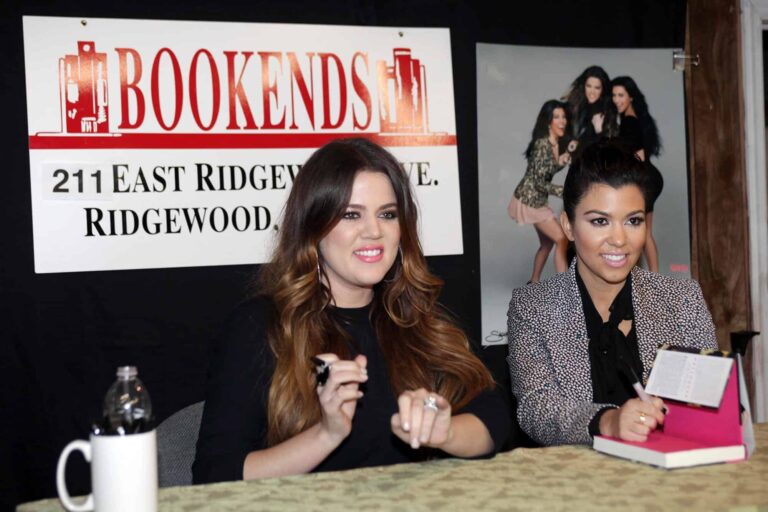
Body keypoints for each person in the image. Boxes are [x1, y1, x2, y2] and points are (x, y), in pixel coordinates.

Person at [193, 138, 510, 483]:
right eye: (351, 214)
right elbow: (216, 475)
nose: (374, 231)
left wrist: (444, 430)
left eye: (387, 214)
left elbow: (494, 418)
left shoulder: (414, 316)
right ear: (313, 228)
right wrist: (326, 434)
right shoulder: (260, 326)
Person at [506, 140, 717, 446]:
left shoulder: (682, 299)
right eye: (600, 221)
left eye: (633, 221)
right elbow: (536, 409)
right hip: (575, 484)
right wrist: (608, 421)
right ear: (568, 226)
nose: (619, 239)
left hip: (671, 480)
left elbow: (708, 402)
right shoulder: (533, 307)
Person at [508, 99, 571, 283]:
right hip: (529, 201)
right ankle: (565, 288)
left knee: (547, 243)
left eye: (563, 117)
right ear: (548, 121)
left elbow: (546, 171)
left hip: (537, 200)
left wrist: (561, 162)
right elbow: (537, 181)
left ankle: (534, 281)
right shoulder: (542, 145)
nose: (562, 121)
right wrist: (563, 191)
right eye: (557, 117)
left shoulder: (554, 143)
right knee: (561, 239)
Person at [611, 76, 664, 273]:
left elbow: (639, 156)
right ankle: (652, 276)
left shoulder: (629, 121)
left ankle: (652, 278)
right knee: (643, 232)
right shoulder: (635, 117)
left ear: (631, 97)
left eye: (621, 95)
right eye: (614, 95)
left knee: (642, 233)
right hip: (650, 178)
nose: (617, 99)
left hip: (646, 179)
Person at [562, 65, 617, 155]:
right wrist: (570, 146)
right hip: (577, 165)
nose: (592, 92)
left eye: (597, 88)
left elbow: (609, 152)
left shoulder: (608, 112)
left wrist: (599, 130)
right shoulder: (573, 108)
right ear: (583, 86)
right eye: (589, 86)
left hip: (596, 166)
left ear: (603, 89)